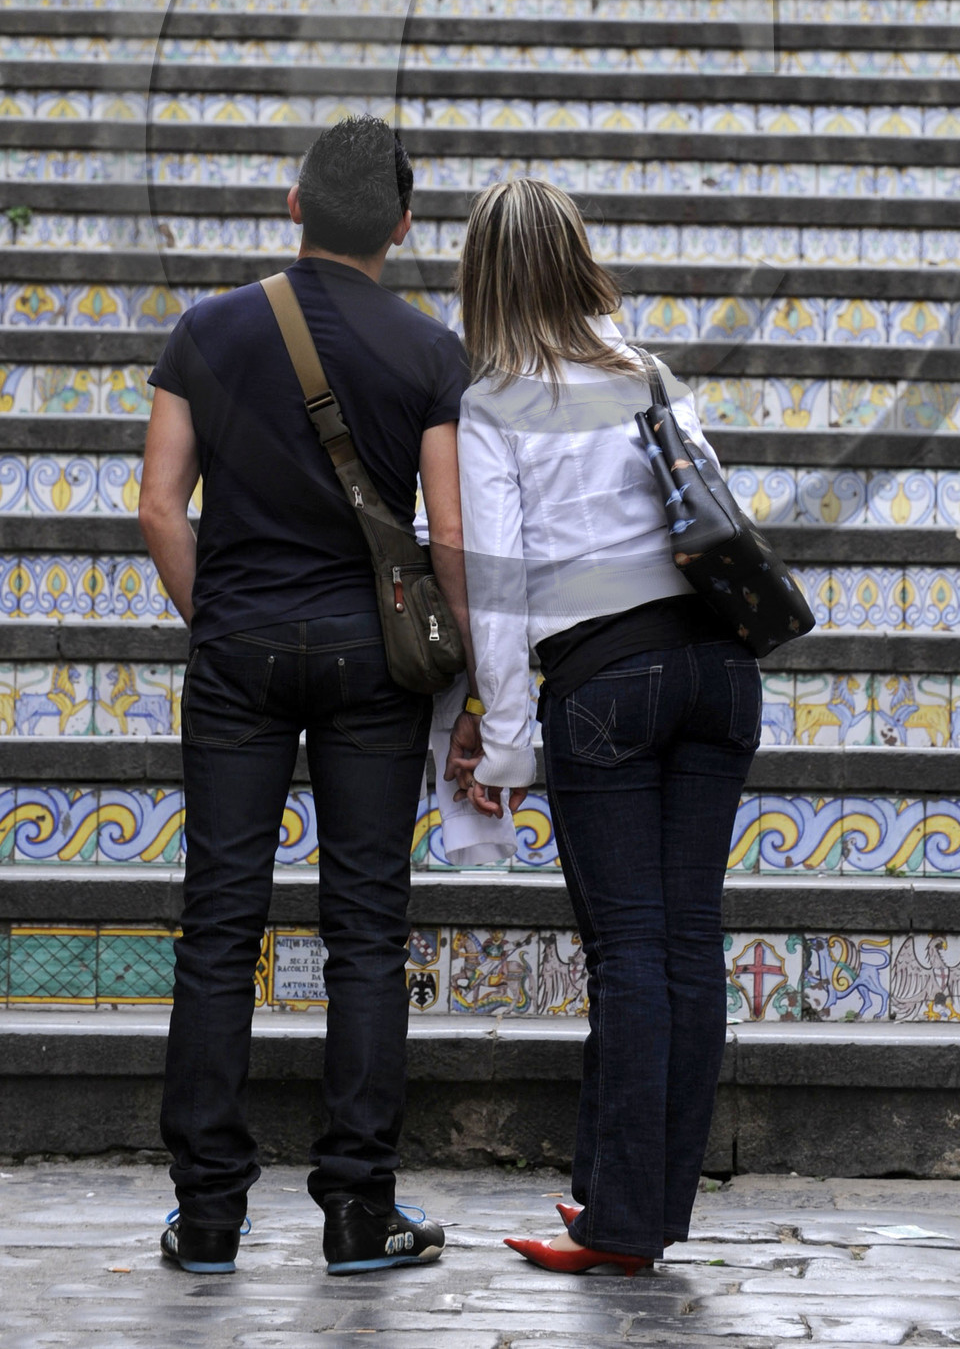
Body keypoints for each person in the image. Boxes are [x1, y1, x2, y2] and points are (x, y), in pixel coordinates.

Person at [139, 116, 480, 1278]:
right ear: (401, 223)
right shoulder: (433, 348)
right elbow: (449, 532)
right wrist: (469, 672)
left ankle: (211, 1214)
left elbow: (157, 504)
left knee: (219, 923)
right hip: (370, 659)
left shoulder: (207, 328)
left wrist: (220, 616)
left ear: (293, 203)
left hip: (236, 645)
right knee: (367, 931)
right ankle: (355, 1209)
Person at [452, 179, 760, 1273]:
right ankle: (631, 1203)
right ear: (581, 258)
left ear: (481, 277)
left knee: (629, 950)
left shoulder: (495, 399)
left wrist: (504, 743)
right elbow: (713, 510)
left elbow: (494, 588)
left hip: (607, 678)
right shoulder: (647, 373)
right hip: (719, 673)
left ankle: (624, 1224)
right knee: (686, 940)